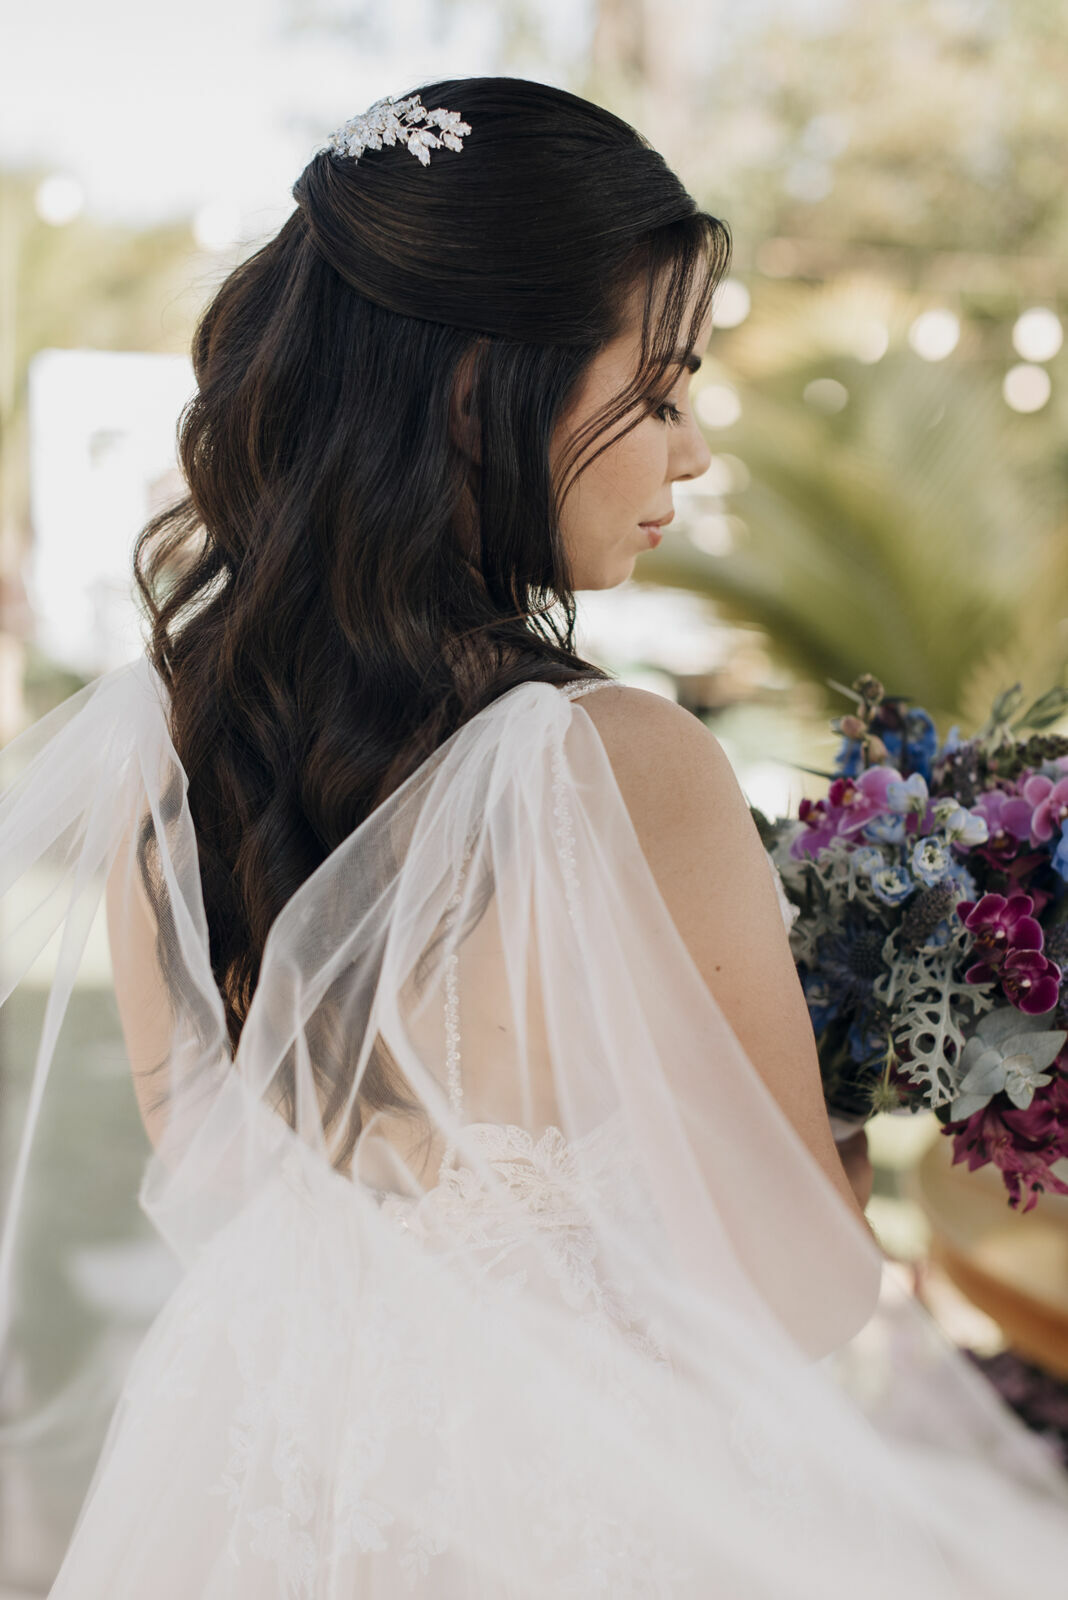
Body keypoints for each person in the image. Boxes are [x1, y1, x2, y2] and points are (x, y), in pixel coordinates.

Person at [0, 75, 1066, 1598]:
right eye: (664, 385)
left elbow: (217, 1182)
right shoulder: (622, 765)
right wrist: (843, 1081)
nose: (689, 455)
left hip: (266, 1502)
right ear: (481, 383)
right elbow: (808, 1292)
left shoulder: (165, 741)